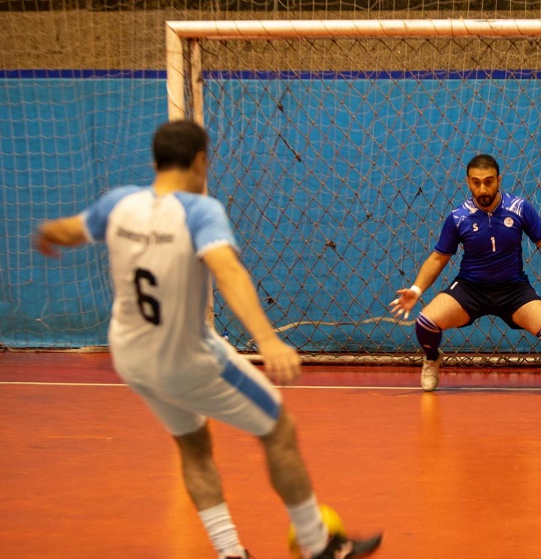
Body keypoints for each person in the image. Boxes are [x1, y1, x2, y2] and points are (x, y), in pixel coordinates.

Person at [34, 120, 382, 559]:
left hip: (131, 359)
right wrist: (267, 340)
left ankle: (229, 553)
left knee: (193, 445)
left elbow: (70, 230)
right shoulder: (200, 211)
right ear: (201, 161)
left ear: (155, 163)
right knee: (278, 428)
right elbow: (227, 270)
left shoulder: (119, 202)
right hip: (188, 361)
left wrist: (46, 233)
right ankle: (318, 545)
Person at [390, 154, 541, 395]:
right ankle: (432, 358)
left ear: (499, 180)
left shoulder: (519, 208)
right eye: (476, 182)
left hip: (513, 289)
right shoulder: (458, 217)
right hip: (470, 288)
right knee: (425, 323)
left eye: (488, 181)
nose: (482, 189)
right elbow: (438, 258)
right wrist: (416, 290)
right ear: (468, 182)